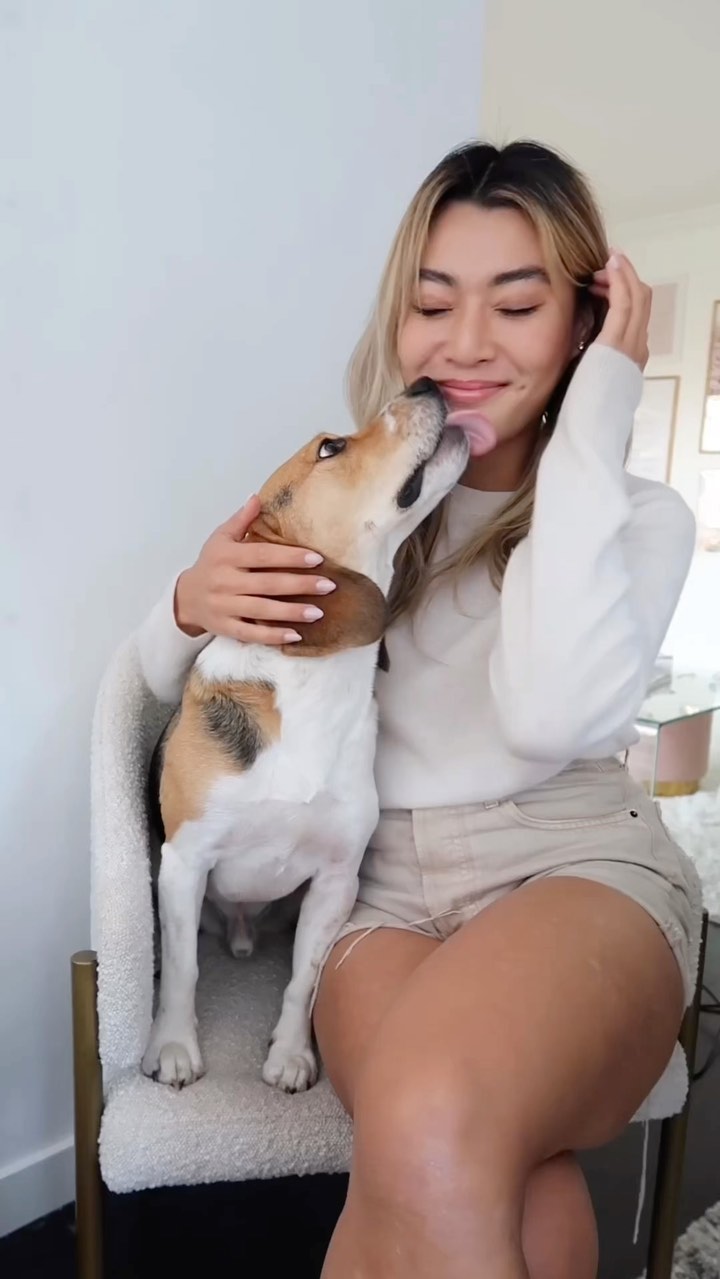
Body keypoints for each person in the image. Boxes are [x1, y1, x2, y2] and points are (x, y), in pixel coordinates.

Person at [136, 141, 703, 1279]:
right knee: (488, 1177)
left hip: (573, 866)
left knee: (436, 1109)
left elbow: (546, 717)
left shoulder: (640, 521)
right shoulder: (367, 506)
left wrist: (600, 411)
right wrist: (188, 602)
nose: (468, 343)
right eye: (433, 304)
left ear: (584, 324)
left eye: (519, 304)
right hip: (381, 888)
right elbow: (162, 680)